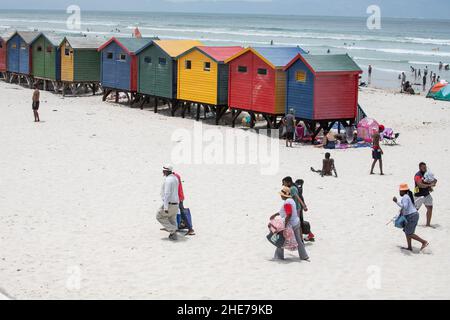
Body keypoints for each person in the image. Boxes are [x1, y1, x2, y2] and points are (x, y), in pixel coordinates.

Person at [271, 187, 309, 261]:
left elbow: (288, 214)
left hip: (291, 223)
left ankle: (278, 256)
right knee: (298, 240)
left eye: (281, 194)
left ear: (284, 195)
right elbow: (286, 211)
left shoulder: (287, 202)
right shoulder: (291, 200)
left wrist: (285, 225)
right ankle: (304, 256)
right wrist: (275, 214)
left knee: (281, 239)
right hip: (296, 222)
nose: (280, 196)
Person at [393, 184, 429, 252]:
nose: (399, 192)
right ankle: (409, 247)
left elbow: (405, 207)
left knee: (409, 233)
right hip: (412, 215)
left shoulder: (405, 197)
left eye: (400, 191)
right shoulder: (407, 196)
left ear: (403, 191)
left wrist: (396, 201)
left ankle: (424, 242)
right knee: (407, 232)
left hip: (412, 216)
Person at [157, 165, 180, 240]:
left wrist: (166, 207)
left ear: (167, 171)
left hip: (169, 204)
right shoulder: (175, 178)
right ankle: (173, 235)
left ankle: (173, 229)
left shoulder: (168, 180)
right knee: (172, 219)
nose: (162, 172)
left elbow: (167, 194)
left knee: (159, 216)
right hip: (176, 203)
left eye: (163, 171)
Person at [414, 162, 437, 227]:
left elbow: (435, 180)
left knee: (430, 207)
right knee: (414, 211)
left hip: (426, 194)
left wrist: (433, 183)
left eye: (425, 167)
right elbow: (420, 185)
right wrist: (429, 185)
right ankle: (408, 223)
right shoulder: (417, 175)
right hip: (419, 195)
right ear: (420, 168)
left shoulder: (427, 173)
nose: (425, 168)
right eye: (423, 167)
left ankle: (428, 224)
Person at [173, 170, 195, 236]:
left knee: (182, 212)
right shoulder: (176, 176)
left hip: (178, 197)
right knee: (179, 211)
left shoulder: (173, 178)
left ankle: (190, 229)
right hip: (180, 196)